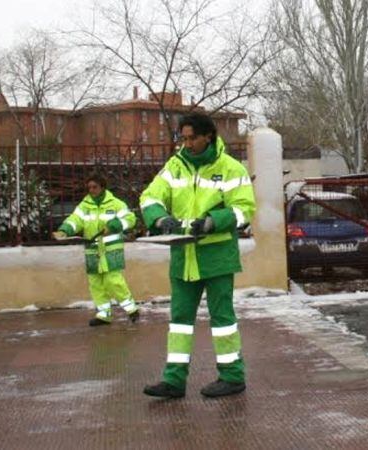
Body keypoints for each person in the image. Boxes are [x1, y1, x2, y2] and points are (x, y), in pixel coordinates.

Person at [140, 113, 256, 399]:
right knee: (179, 320)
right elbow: (150, 197)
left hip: (216, 257)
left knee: (222, 320)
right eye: (184, 138)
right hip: (183, 256)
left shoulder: (230, 168)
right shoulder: (174, 166)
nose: (187, 143)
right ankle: (174, 380)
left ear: (209, 136)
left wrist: (212, 221)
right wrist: (159, 219)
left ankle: (232, 377)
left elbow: (244, 208)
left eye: (192, 138)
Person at [53, 173, 140, 326]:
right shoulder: (84, 206)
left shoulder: (116, 204)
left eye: (95, 187)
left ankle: (131, 309)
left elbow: (130, 219)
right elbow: (75, 220)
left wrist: (115, 225)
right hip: (92, 250)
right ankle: (103, 314)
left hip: (111, 251)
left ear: (103, 187)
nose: (91, 190)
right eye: (89, 187)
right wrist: (64, 230)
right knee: (96, 284)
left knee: (113, 281)